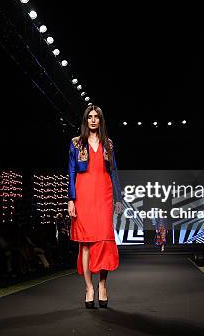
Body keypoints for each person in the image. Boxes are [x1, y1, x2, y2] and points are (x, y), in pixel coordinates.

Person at [67, 105, 124, 309]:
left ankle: (102, 285)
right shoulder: (76, 143)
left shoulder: (108, 144)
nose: (93, 120)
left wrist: (118, 198)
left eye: (96, 117)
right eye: (89, 117)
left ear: (100, 120)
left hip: (104, 194)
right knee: (86, 243)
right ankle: (89, 287)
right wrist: (71, 199)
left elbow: (114, 172)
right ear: (85, 120)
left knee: (105, 240)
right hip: (83, 195)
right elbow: (71, 172)